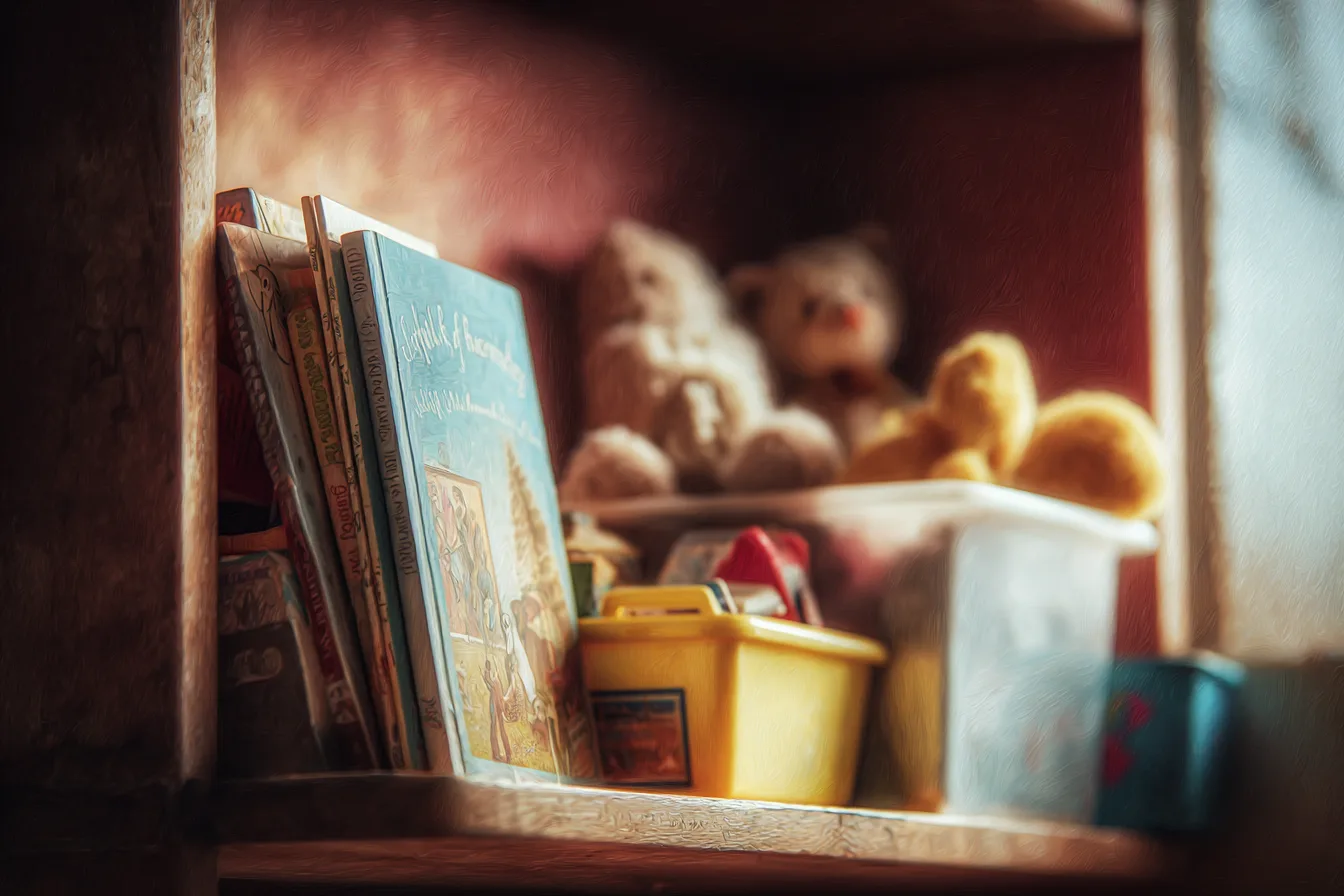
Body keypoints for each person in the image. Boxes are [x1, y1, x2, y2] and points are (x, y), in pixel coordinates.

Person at [482, 658, 512, 764]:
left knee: (497, 728)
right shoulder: (495, 681)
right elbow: (488, 682)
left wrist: (486, 672)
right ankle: (501, 754)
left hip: (497, 706)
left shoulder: (496, 681)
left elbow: (489, 682)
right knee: (496, 727)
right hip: (496, 706)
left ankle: (504, 754)